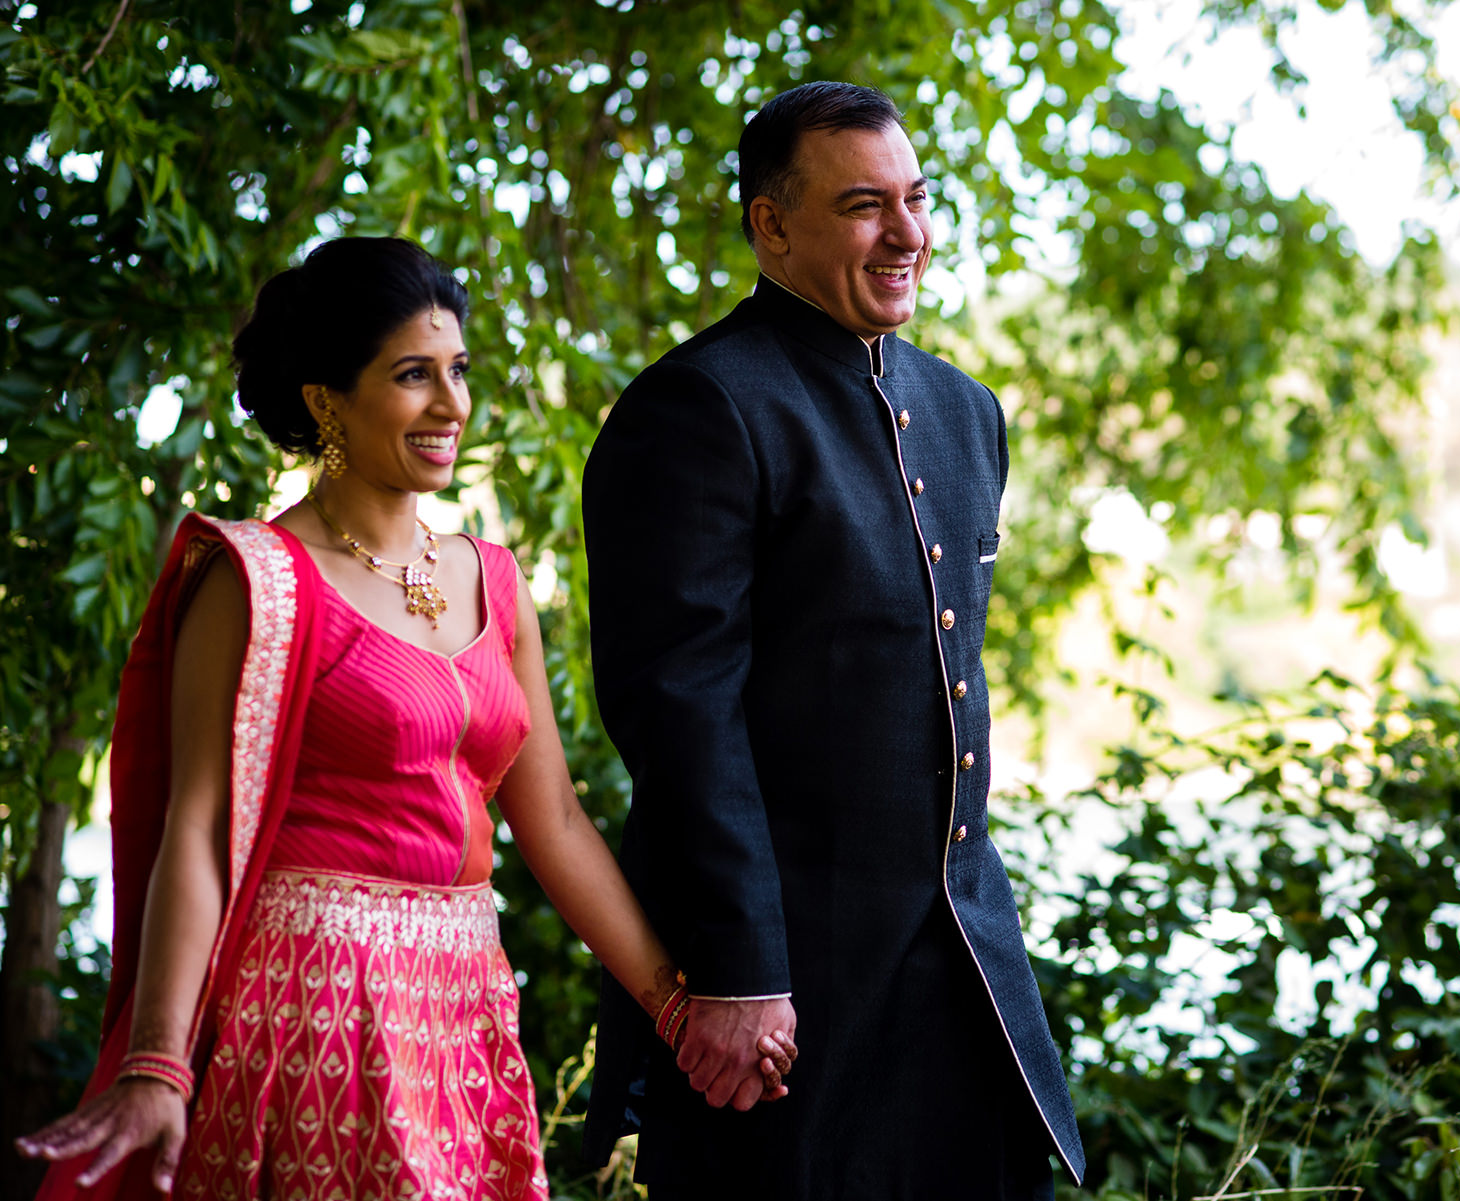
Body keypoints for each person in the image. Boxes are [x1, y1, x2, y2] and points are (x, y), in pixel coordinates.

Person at [13, 237, 794, 1201]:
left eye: (458, 370)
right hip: (318, 1007)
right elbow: (198, 828)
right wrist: (158, 1062)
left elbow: (549, 823)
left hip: (465, 1008)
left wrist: (680, 1010)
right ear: (325, 399)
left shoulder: (491, 580)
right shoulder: (256, 576)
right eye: (413, 375)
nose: (451, 404)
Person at [581, 81, 1086, 1199]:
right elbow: (681, 719)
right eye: (864, 205)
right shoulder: (699, 407)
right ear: (771, 224)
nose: (906, 233)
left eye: (915, 198)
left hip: (965, 973)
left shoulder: (964, 411)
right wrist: (741, 971)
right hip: (785, 995)